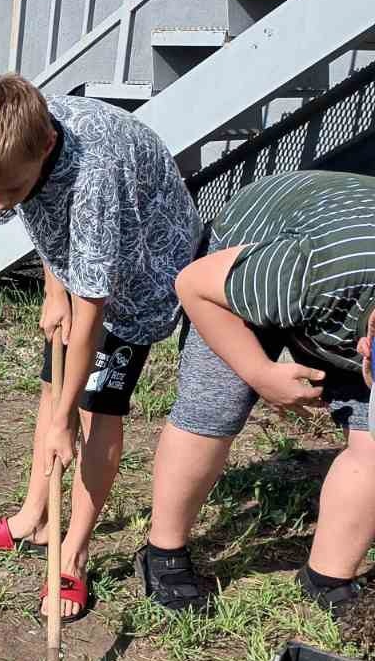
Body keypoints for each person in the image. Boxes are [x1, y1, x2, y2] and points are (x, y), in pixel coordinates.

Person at [0, 74, 201, 618]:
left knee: (92, 410)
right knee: (52, 388)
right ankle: (33, 518)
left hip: (143, 273)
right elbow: (40, 210)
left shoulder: (95, 177)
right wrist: (52, 284)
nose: (0, 205)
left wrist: (67, 416)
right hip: (85, 261)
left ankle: (74, 552)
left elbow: (95, 311)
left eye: (9, 192)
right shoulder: (20, 129)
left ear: (44, 148)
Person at [139, 170, 375, 614]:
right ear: (365, 343)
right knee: (215, 405)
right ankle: (163, 552)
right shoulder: (313, 271)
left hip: (344, 281)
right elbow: (193, 285)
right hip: (254, 251)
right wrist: (262, 373)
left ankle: (327, 577)